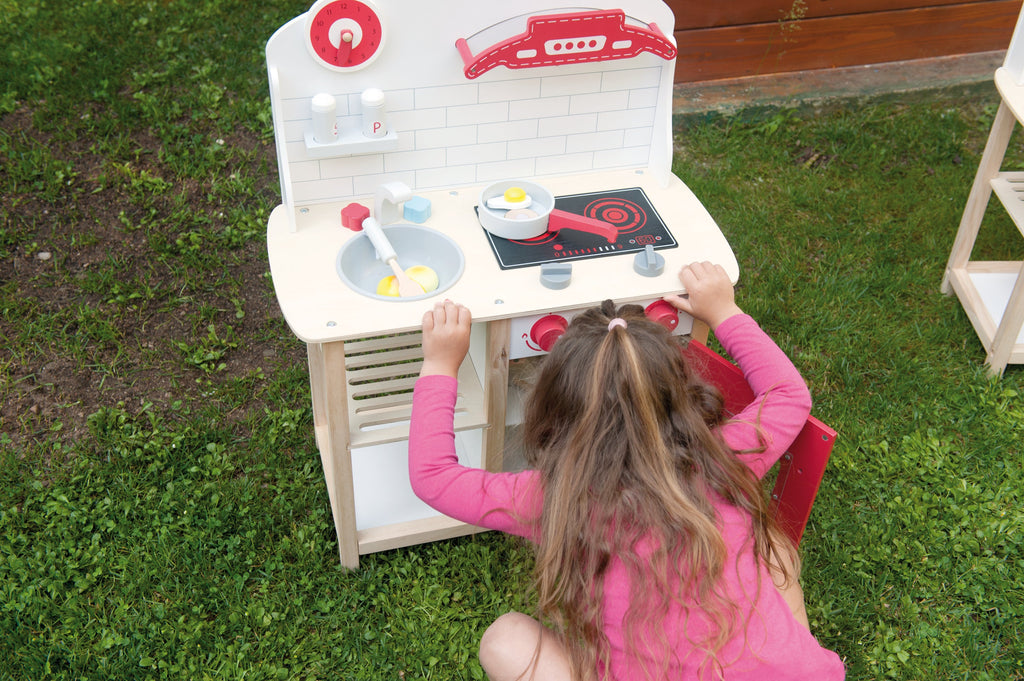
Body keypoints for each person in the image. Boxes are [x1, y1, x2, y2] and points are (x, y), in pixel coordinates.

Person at [408, 262, 845, 680]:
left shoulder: (555, 499)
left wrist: (441, 364)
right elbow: (788, 394)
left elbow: (433, 476)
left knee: (504, 641)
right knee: (777, 551)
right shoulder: (724, 458)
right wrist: (724, 311)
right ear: (679, 395)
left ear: (553, 410)